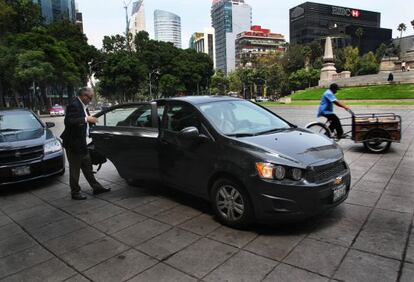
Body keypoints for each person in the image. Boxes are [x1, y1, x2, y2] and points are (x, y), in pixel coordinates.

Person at [60, 87, 110, 200]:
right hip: (73, 144)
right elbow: (68, 121)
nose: (91, 100)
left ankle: (97, 188)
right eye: (90, 98)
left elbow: (86, 122)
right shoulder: (74, 105)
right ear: (84, 96)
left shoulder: (83, 106)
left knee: (87, 166)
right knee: (75, 169)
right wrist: (87, 119)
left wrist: (95, 127)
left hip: (81, 142)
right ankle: (75, 192)